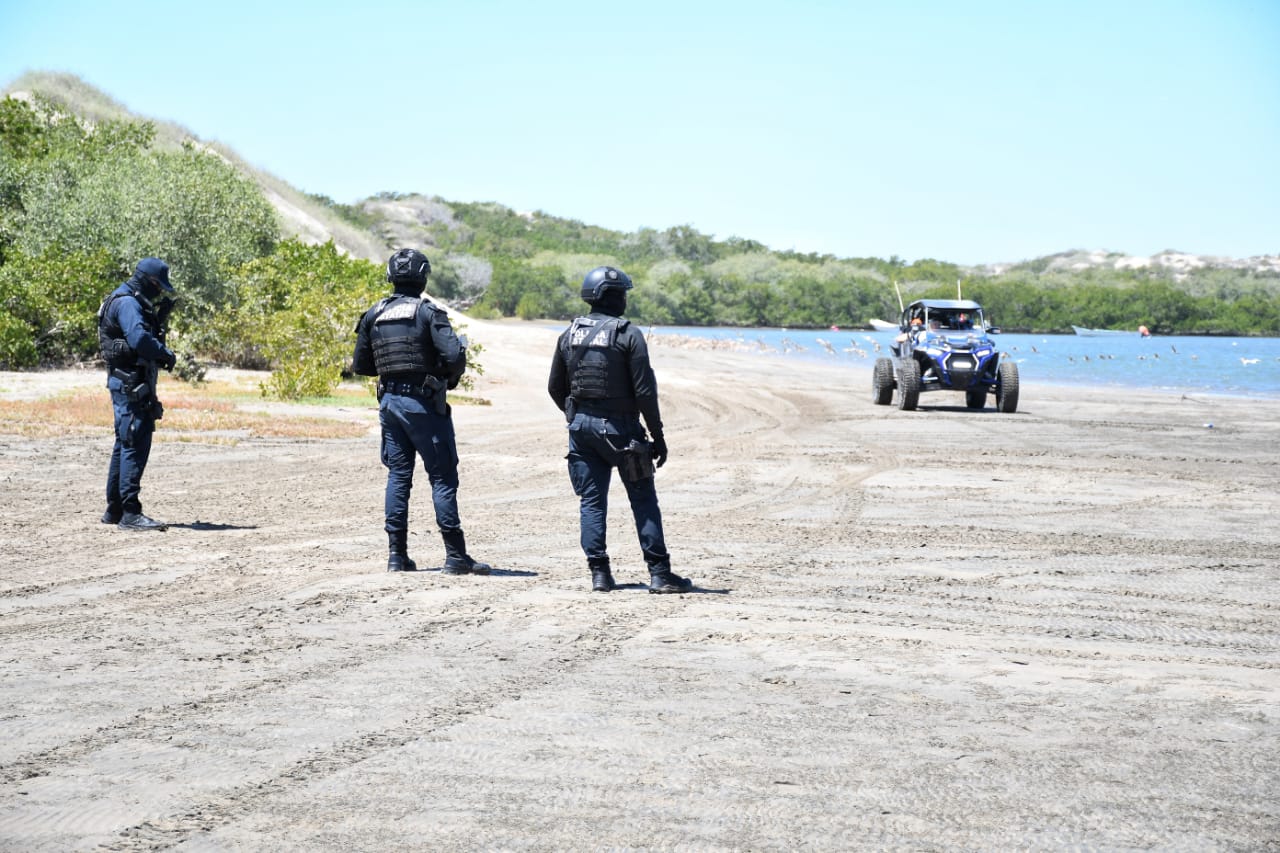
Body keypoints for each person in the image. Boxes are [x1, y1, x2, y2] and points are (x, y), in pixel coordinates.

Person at [548, 266, 691, 594]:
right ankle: (659, 574)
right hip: (623, 432)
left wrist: (577, 416)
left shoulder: (570, 333)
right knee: (643, 500)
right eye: (623, 293)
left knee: (592, 501)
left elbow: (555, 387)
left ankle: (600, 574)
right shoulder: (629, 334)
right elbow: (645, 393)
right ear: (612, 297)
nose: (626, 299)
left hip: (581, 430)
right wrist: (658, 436)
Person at [352, 248, 490, 575]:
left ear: (390, 276)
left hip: (389, 404)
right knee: (442, 477)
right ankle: (455, 557)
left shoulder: (375, 313)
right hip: (424, 405)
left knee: (399, 476)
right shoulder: (429, 312)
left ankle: (396, 557)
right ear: (424, 276)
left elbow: (362, 365)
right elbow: (455, 356)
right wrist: (445, 375)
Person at [98, 257, 178, 531]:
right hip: (131, 385)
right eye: (157, 285)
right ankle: (130, 513)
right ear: (147, 280)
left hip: (126, 384)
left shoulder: (123, 299)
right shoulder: (129, 303)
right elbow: (140, 340)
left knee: (124, 443)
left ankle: (115, 510)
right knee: (134, 442)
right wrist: (164, 353)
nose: (159, 291)